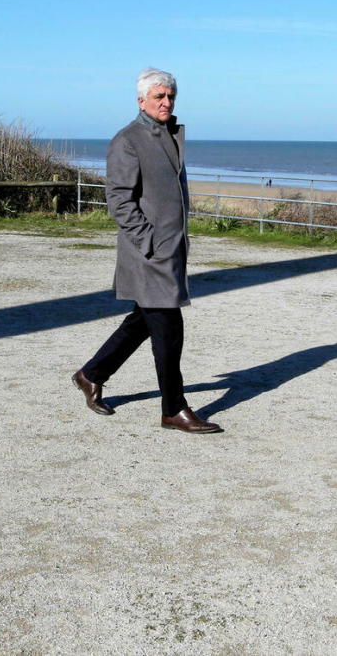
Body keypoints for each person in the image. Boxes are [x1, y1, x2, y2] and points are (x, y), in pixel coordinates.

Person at [71, 68, 222, 434]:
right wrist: (149, 241)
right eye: (159, 97)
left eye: (170, 96)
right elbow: (119, 200)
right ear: (141, 100)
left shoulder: (170, 135)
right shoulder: (128, 140)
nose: (166, 102)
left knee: (143, 322)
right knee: (169, 327)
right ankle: (174, 408)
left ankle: (91, 374)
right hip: (148, 254)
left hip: (171, 249)